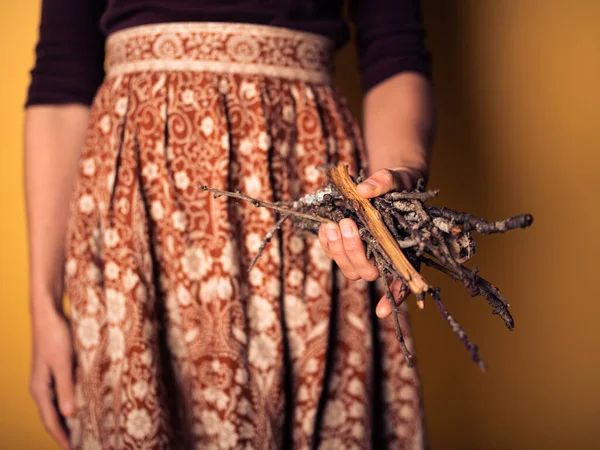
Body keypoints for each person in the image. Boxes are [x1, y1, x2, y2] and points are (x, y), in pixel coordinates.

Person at [24, 1, 434, 449]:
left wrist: (392, 196)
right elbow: (62, 74)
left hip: (303, 192)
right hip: (135, 212)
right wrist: (44, 306)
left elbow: (393, 49)